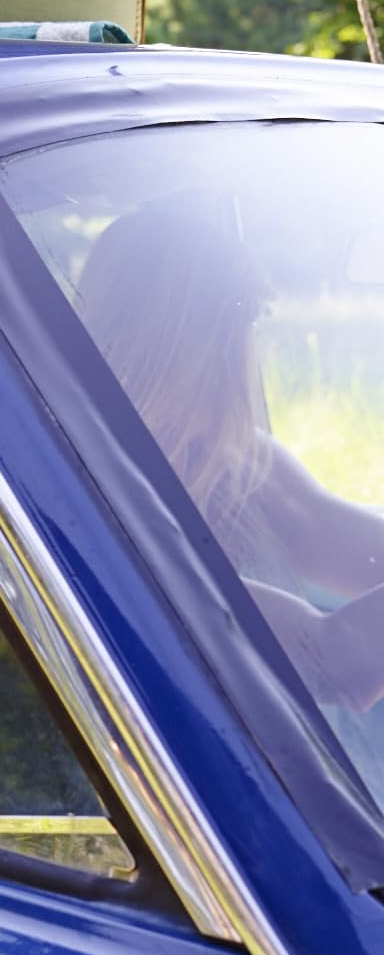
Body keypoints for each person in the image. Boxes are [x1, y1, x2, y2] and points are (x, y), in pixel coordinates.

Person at [75, 208, 384, 708]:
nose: (255, 340)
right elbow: (335, 663)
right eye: (250, 313)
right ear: (200, 336)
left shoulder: (236, 461)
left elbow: (361, 546)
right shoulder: (101, 498)